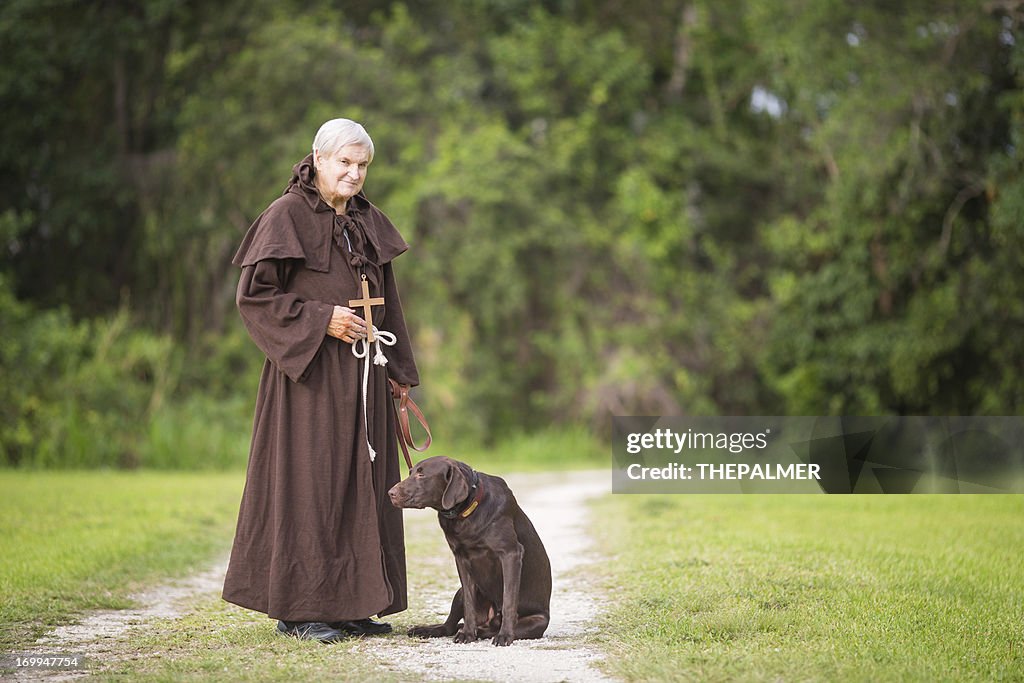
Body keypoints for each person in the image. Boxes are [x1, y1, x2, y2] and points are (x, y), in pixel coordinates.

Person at [222, 118, 419, 643]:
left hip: (367, 373)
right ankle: (302, 608)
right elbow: (255, 298)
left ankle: (353, 604)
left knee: (365, 488)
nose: (354, 174)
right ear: (318, 159)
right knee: (314, 486)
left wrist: (399, 377)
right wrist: (320, 320)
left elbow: (388, 301)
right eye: (345, 163)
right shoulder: (285, 215)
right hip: (308, 377)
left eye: (362, 166)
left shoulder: (365, 219)